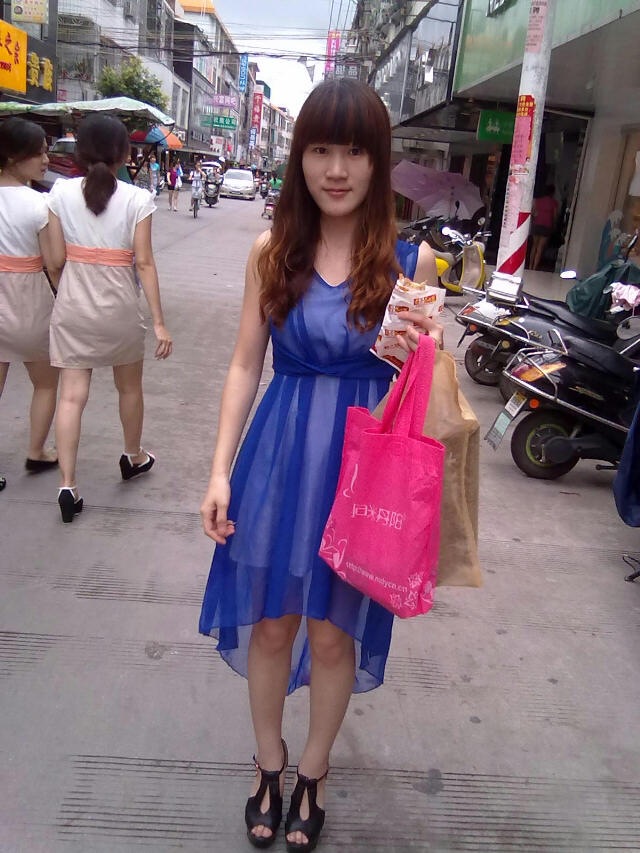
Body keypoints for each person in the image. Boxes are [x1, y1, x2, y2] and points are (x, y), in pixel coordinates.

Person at [199, 78, 442, 852]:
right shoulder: (272, 252)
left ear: (379, 162)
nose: (337, 169)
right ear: (299, 157)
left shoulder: (411, 263)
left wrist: (426, 357)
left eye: (356, 152)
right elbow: (246, 364)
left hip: (362, 473)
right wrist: (219, 469)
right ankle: (267, 762)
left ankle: (313, 770)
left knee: (334, 635)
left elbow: (422, 393)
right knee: (272, 624)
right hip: (278, 455)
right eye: (321, 150)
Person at [46, 114, 173, 523]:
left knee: (71, 396)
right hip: (120, 310)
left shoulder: (60, 193)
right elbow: (145, 263)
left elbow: (54, 260)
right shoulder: (138, 199)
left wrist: (66, 290)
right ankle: (132, 456)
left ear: (80, 151)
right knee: (129, 388)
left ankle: (68, 485)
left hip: (73, 306)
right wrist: (159, 322)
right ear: (124, 153)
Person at [0, 117, 61, 490]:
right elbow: (53, 262)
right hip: (28, 299)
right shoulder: (41, 203)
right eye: (39, 153)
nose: (46, 160)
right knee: (46, 382)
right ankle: (37, 451)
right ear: (13, 156)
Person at [530, 184, 558, 271]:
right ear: (553, 193)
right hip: (546, 225)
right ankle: (534, 267)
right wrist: (554, 226)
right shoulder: (554, 203)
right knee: (540, 248)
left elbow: (533, 213)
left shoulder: (537, 201)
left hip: (537, 224)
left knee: (534, 246)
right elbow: (555, 216)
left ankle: (530, 266)